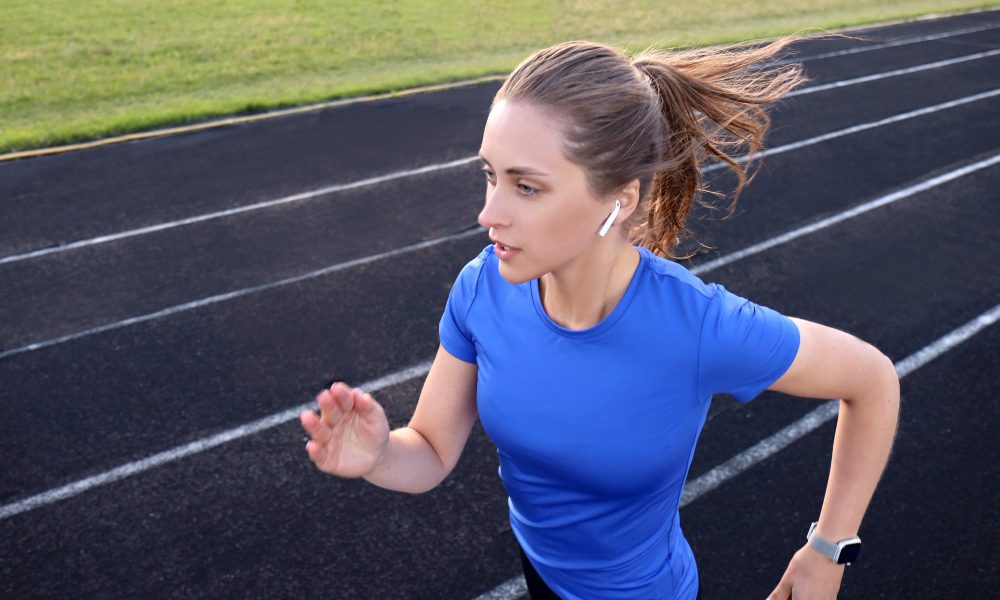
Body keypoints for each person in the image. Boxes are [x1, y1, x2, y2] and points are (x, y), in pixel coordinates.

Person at [300, 33, 900, 600]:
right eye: (490, 176)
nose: (489, 213)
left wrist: (827, 549)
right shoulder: (482, 288)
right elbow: (429, 449)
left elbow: (871, 380)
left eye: (526, 187)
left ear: (620, 199)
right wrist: (379, 456)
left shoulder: (696, 327)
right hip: (537, 568)